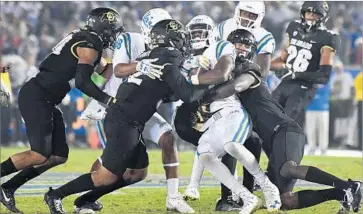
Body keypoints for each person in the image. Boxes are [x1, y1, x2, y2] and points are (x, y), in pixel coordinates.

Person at [44, 18, 209, 214]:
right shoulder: (169, 57)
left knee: (137, 173)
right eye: (181, 39)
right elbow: (187, 95)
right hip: (125, 120)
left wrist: (184, 72)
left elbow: (167, 92)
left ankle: (85, 200)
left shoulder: (151, 55)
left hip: (127, 117)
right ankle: (56, 195)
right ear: (173, 40)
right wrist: (206, 82)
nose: (185, 44)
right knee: (105, 176)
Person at [0, 7, 123, 214]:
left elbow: (106, 70)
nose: (114, 34)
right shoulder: (90, 42)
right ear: (103, 28)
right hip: (38, 96)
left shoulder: (86, 39)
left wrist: (134, 69)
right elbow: (84, 83)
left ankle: (8, 188)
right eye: (112, 29)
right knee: (39, 154)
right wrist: (107, 100)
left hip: (46, 99)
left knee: (57, 156)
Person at [75, 8, 194, 214]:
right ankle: (87, 199)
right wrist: (141, 66)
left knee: (168, 138)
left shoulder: (170, 50)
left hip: (141, 108)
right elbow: (120, 70)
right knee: (112, 166)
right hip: (116, 107)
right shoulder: (132, 39)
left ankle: (173, 197)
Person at [184, 2, 277, 211]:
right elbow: (214, 57)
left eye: (251, 14)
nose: (246, 16)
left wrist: (231, 81)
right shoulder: (222, 28)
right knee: (217, 146)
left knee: (250, 142)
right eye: (244, 12)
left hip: (247, 92)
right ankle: (228, 196)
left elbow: (261, 72)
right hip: (222, 93)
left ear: (260, 16)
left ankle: (256, 190)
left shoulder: (264, 36)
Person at [271, 1, 340, 128]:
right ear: (302, 13)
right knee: (265, 114)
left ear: (323, 17)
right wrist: (267, 66)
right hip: (285, 83)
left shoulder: (328, 37)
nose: (311, 17)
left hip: (304, 88)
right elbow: (283, 59)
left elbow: (324, 76)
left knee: (286, 123)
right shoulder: (293, 27)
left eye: (315, 14)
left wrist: (295, 74)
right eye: (308, 12)